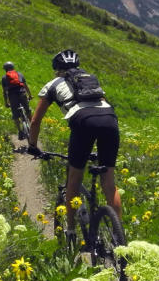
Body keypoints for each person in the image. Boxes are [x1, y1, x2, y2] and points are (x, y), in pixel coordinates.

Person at [26, 49, 122, 246]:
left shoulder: (53, 84)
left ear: (57, 70)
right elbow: (100, 106)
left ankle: (70, 231)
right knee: (109, 182)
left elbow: (35, 121)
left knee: (74, 178)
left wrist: (33, 145)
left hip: (83, 121)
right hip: (110, 119)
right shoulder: (90, 80)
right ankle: (119, 237)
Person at [1, 61, 33, 139]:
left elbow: (5, 92)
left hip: (12, 97)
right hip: (22, 94)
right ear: (13, 67)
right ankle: (33, 127)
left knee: (15, 115)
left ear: (5, 69)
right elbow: (25, 86)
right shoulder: (19, 74)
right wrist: (30, 95)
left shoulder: (4, 77)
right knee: (28, 110)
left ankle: (20, 131)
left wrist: (6, 102)